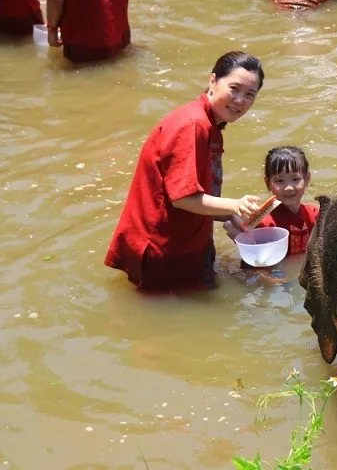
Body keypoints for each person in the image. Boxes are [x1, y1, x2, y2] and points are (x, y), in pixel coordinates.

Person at [105, 52, 265, 293]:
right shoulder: (192, 124)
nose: (241, 100)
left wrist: (229, 216)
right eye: (234, 88)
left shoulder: (210, 123)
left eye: (250, 94)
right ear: (213, 81)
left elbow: (194, 189)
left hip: (184, 241)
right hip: (162, 251)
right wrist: (235, 205)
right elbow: (182, 198)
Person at [226, 146, 320, 256]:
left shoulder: (315, 215)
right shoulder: (263, 223)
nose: (288, 187)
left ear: (307, 179)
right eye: (280, 181)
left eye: (295, 179)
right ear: (267, 183)